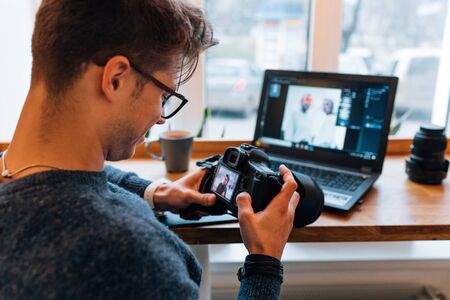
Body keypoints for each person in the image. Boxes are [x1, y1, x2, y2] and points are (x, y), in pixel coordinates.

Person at [0, 1, 300, 299]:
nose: (160, 116)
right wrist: (264, 261)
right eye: (164, 95)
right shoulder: (131, 256)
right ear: (116, 79)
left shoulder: (14, 169)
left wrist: (154, 192)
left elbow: (76, 178)